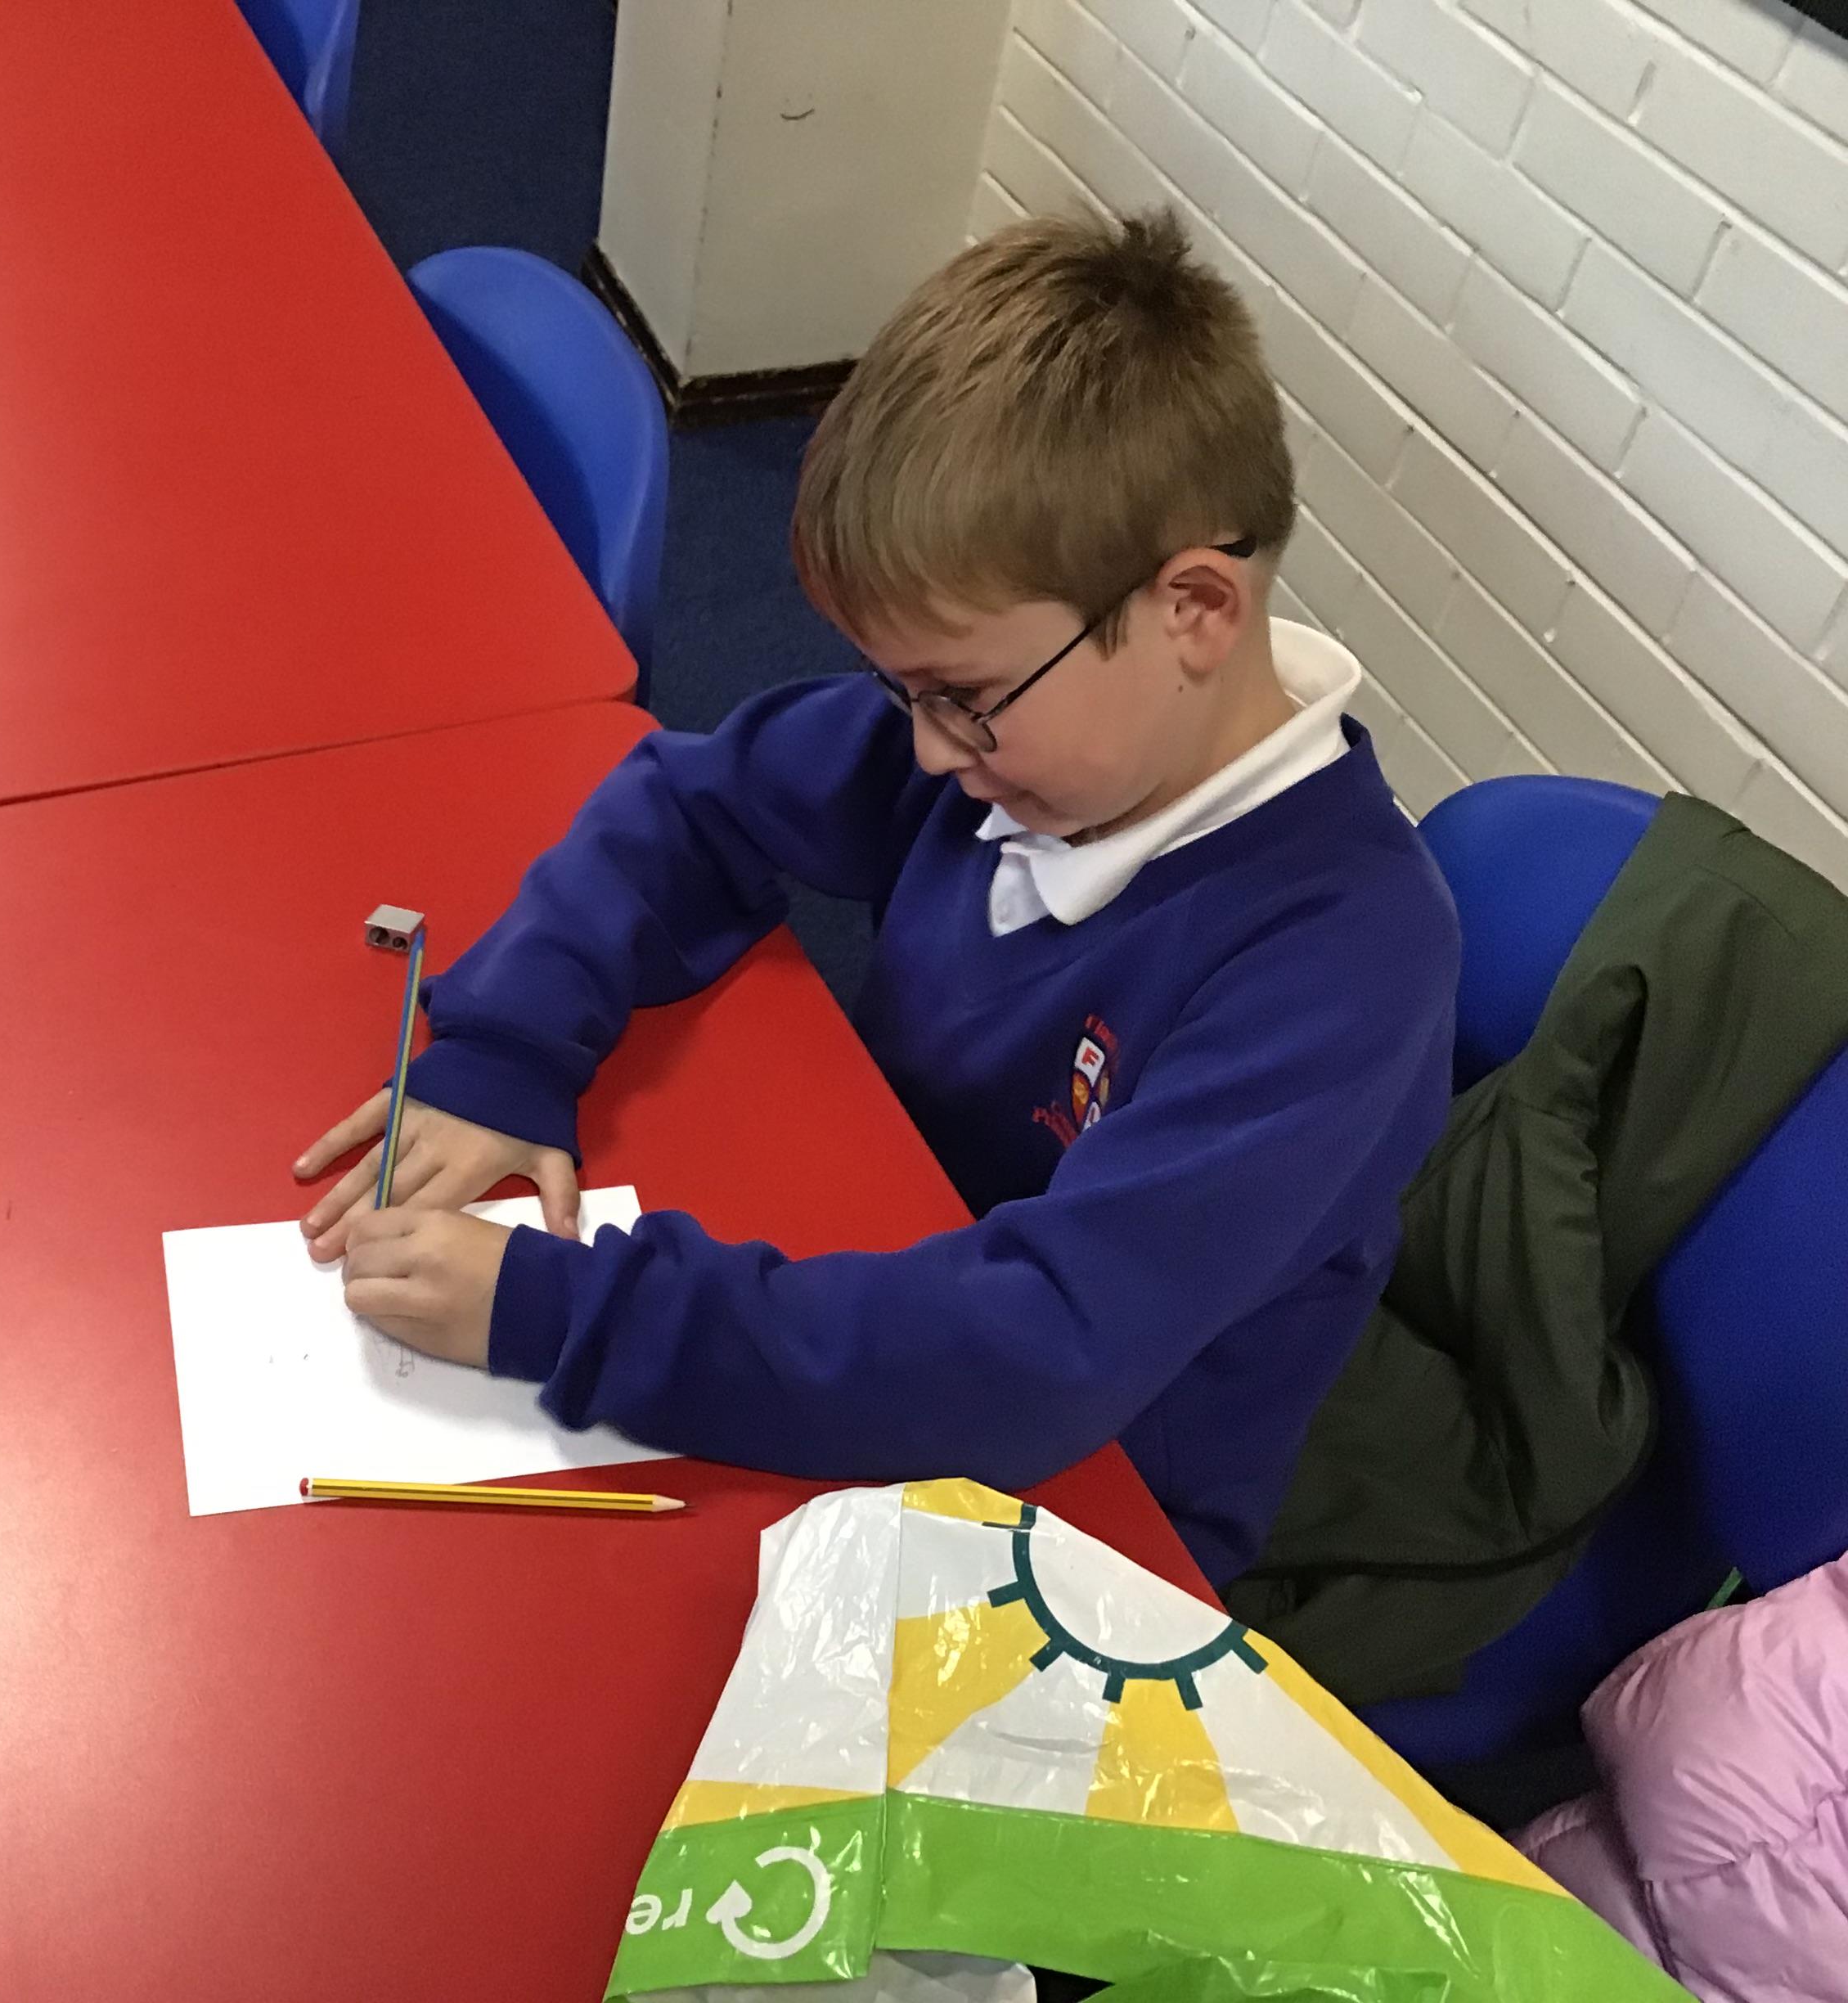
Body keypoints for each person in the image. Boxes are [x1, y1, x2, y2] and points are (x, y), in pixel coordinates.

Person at [294, 208, 1459, 1587]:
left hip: (1097, 1505)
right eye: (901, 691)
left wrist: (573, 1317)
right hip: (877, 1263)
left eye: (959, 697)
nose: (925, 752)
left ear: (1195, 612)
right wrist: (507, 1048)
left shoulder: (1343, 967)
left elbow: (1040, 1356)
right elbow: (692, 798)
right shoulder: (1016, 739)